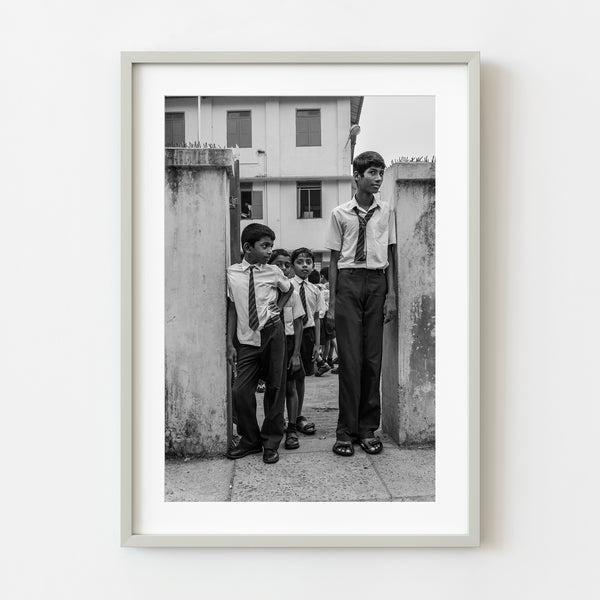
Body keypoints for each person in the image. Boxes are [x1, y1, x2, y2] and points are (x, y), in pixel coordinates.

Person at [325, 151, 397, 457]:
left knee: (372, 360)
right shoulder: (340, 213)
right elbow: (331, 260)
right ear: (357, 176)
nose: (378, 178)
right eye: (372, 173)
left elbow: (391, 255)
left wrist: (391, 294)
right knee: (350, 361)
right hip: (348, 283)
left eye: (381, 173)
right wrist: (330, 304)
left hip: (377, 283)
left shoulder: (387, 211)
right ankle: (345, 431)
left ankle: (368, 429)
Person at [226, 224, 292, 464]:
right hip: (246, 340)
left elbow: (289, 288)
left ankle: (271, 442)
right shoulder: (232, 273)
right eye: (264, 246)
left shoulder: (273, 271)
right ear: (247, 247)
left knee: (275, 389)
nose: (269, 251)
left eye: (271, 246)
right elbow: (232, 307)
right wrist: (229, 343)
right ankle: (250, 439)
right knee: (240, 391)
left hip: (272, 334)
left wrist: (279, 307)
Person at [268, 249, 305, 450]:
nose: (282, 268)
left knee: (291, 387)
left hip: (289, 343)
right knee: (274, 389)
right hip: (271, 343)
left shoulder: (294, 293)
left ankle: (291, 429)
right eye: (278, 264)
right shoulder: (266, 290)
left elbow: (298, 324)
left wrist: (296, 354)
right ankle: (274, 426)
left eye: (286, 265)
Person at [289, 247, 324, 435]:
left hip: (308, 334)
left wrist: (318, 344)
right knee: (290, 378)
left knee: (302, 377)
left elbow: (317, 317)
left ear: (313, 266)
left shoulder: (315, 290)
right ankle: (288, 418)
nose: (304, 265)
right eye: (300, 262)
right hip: (291, 334)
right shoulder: (286, 286)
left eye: (308, 262)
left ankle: (298, 415)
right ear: (292, 265)